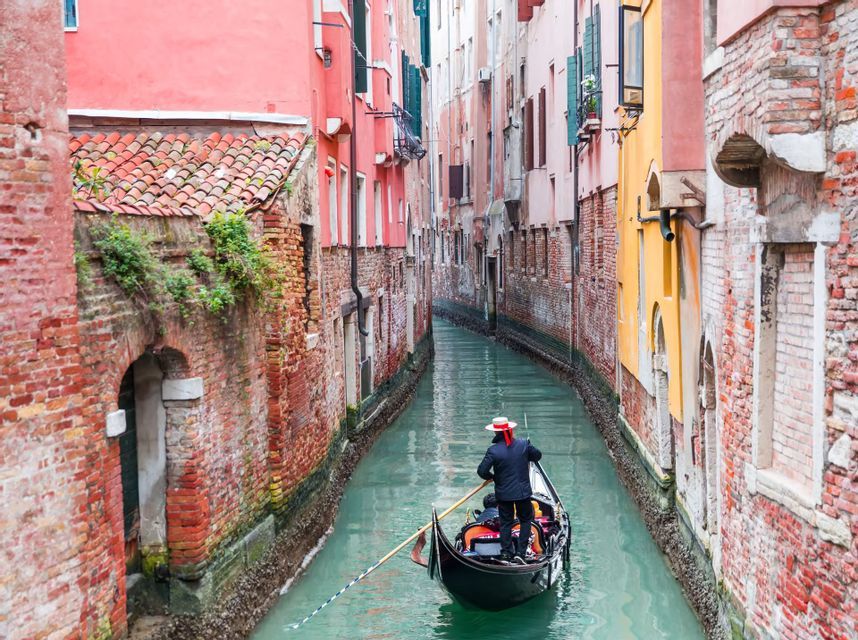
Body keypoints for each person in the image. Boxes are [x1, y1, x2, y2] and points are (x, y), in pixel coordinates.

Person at [477, 417, 542, 564]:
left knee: (505, 522)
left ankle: (506, 553)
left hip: (504, 493)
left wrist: (492, 477)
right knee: (526, 520)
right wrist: (528, 449)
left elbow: (481, 471)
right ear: (510, 430)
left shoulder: (493, 450)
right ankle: (521, 553)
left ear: (495, 431)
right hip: (522, 493)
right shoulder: (523, 444)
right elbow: (537, 456)